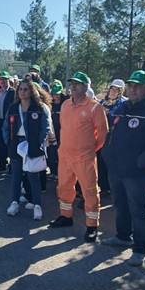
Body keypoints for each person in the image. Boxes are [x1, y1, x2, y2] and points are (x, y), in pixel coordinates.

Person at [101, 71, 145, 266]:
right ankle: (122, 236)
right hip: (116, 169)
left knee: (138, 210)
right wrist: (107, 155)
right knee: (120, 205)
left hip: (138, 173)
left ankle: (140, 248)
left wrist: (141, 162)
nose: (133, 89)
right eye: (130, 86)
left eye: (138, 86)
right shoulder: (121, 107)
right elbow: (110, 133)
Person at [49, 72, 109, 242]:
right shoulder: (66, 105)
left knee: (89, 191)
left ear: (86, 87)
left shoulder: (95, 107)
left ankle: (92, 226)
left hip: (84, 157)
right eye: (72, 83)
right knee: (65, 187)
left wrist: (89, 149)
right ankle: (66, 216)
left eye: (78, 84)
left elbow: (103, 134)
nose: (73, 86)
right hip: (65, 155)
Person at [5, 79, 51, 221]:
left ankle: (37, 205)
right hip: (16, 144)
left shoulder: (39, 107)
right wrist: (8, 141)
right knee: (16, 175)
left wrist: (37, 143)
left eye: (26, 89)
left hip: (32, 144)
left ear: (31, 91)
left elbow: (46, 127)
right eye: (20, 89)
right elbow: (5, 127)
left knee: (33, 176)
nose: (22, 92)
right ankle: (14, 202)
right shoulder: (13, 108)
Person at [0, 71, 14, 172]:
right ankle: (2, 164)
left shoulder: (13, 92)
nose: (3, 82)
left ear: (8, 80)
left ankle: (11, 165)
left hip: (9, 122)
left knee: (8, 143)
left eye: (5, 80)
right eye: (2, 80)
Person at [48, 82, 65, 177]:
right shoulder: (50, 104)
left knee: (61, 154)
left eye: (58, 94)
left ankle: (61, 172)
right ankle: (53, 171)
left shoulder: (66, 103)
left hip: (63, 133)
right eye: (54, 94)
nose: (56, 96)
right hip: (53, 132)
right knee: (52, 152)